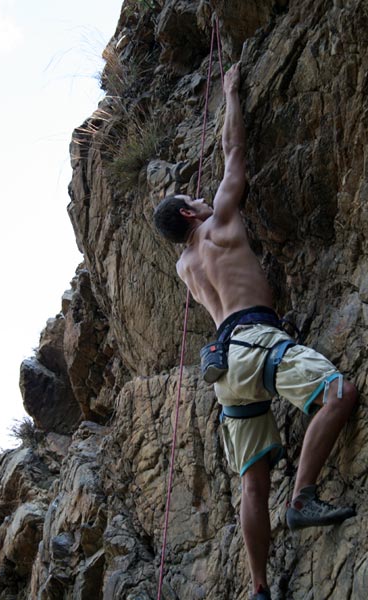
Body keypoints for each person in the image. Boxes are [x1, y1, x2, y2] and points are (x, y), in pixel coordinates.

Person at [153, 63, 358, 600]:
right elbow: (234, 153)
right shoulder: (218, 222)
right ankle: (303, 498)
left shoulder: (184, 268)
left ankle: (260, 587)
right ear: (191, 213)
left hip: (226, 368)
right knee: (339, 393)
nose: (198, 195)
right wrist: (231, 94)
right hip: (257, 342)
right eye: (190, 197)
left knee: (252, 480)